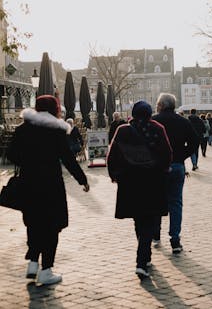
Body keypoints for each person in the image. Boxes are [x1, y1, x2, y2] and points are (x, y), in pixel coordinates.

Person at [7, 95, 90, 285]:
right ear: (56, 109)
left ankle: (33, 264)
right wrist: (82, 180)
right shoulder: (56, 131)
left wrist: (27, 162)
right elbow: (68, 159)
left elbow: (11, 154)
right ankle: (46, 270)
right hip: (51, 185)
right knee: (52, 227)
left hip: (28, 183)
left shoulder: (23, 129)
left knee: (34, 223)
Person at [107, 100, 172, 279]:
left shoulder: (123, 130)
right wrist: (162, 171)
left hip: (130, 184)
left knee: (138, 219)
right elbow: (167, 154)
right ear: (149, 113)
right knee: (149, 221)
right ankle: (142, 261)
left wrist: (115, 176)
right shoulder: (157, 129)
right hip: (153, 182)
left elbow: (112, 155)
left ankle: (145, 258)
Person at [152, 93, 198, 254]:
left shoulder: (154, 121)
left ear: (161, 105)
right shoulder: (183, 121)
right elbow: (194, 141)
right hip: (177, 165)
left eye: (157, 104)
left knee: (156, 200)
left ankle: (155, 235)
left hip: (158, 167)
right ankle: (175, 239)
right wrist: (181, 155)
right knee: (176, 202)